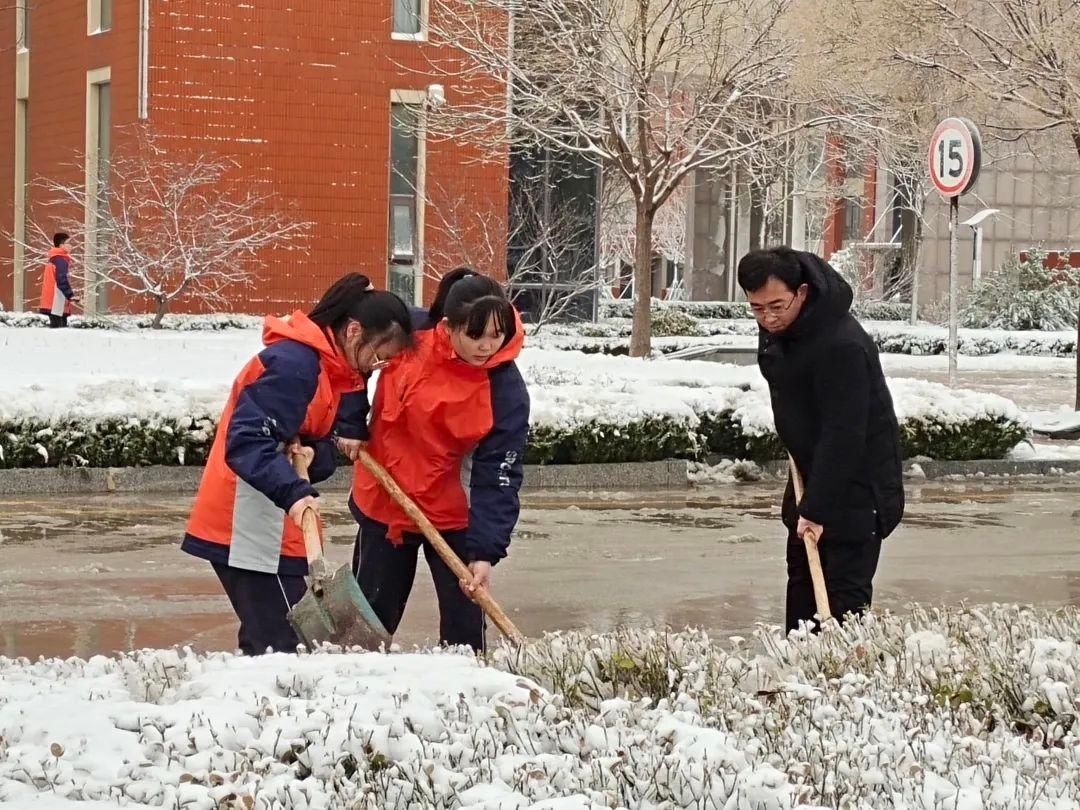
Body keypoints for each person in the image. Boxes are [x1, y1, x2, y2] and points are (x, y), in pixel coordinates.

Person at [181, 273, 414, 655]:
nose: (376, 366)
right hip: (248, 527)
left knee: (271, 643)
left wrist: (313, 454)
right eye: (378, 354)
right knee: (285, 648)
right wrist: (294, 492)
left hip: (280, 526)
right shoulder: (295, 364)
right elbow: (247, 443)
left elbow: (316, 443)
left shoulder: (331, 370)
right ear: (353, 330)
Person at [348, 273, 530, 653]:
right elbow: (352, 357)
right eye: (475, 335)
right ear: (448, 326)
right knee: (367, 626)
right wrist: (349, 420)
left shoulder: (504, 389)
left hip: (455, 518)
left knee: (464, 636)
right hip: (386, 502)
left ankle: (463, 701)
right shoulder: (408, 335)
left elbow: (499, 473)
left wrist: (484, 552)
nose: (487, 346)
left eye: (497, 335)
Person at [736, 247, 904, 633]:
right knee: (803, 597)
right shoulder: (785, 329)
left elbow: (845, 434)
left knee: (839, 606)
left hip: (858, 490)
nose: (768, 318)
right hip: (812, 480)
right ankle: (801, 676)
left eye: (777, 305)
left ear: (803, 292)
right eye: (757, 309)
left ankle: (838, 683)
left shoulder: (840, 345)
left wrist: (815, 509)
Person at [39, 233, 78, 328]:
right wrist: (70, 295)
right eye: (68, 243)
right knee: (58, 332)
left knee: (57, 331)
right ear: (61, 245)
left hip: (54, 300)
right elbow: (61, 280)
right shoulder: (60, 259)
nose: (71, 245)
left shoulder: (54, 258)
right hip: (56, 302)